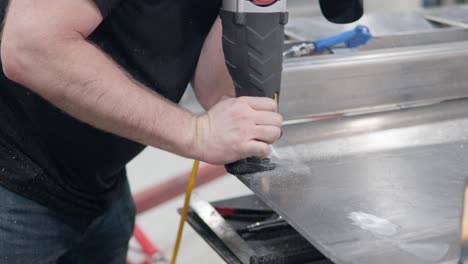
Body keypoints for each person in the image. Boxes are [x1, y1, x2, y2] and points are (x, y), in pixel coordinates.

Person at [0, 0, 362, 263]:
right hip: (13, 184)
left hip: (100, 181)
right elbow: (31, 47)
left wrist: (251, 9)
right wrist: (195, 134)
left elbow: (213, 90)